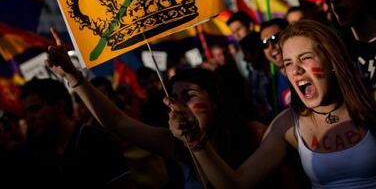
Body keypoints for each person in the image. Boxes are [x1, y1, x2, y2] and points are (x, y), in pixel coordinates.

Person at [167, 20, 376, 188]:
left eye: (305, 58)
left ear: (332, 61)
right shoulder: (287, 124)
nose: (295, 70)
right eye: (288, 63)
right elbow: (236, 184)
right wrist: (195, 141)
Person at [45, 28, 266, 188]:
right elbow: (117, 122)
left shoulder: (255, 134)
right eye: (174, 98)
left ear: (216, 100)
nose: (179, 106)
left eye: (189, 96)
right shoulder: (176, 145)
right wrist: (74, 77)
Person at [15, 77, 130, 188]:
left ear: (59, 105)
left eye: (34, 109)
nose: (29, 118)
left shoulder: (96, 141)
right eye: (26, 113)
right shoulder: (36, 156)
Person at [259, 18, 290, 110]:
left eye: (275, 38)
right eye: (264, 44)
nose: (271, 46)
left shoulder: (307, 69)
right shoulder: (271, 87)